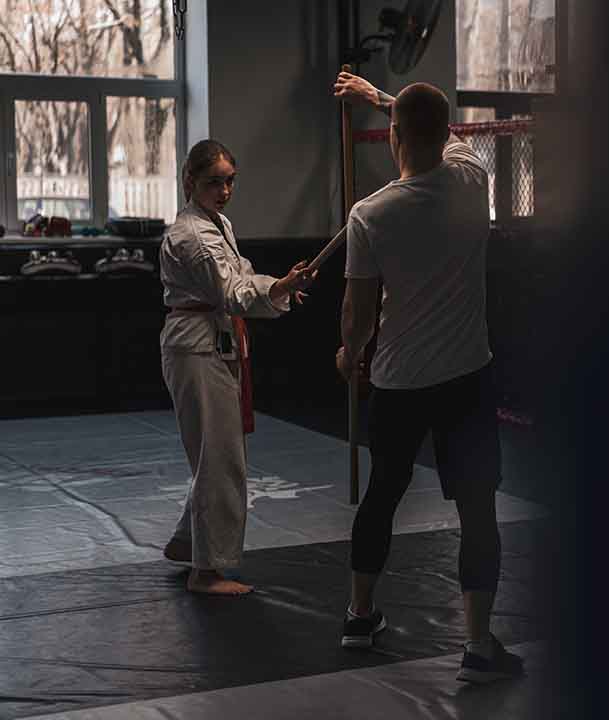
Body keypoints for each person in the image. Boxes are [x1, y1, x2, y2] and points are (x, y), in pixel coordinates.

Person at [332, 71, 524, 683]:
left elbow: (360, 316)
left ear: (393, 138)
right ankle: (475, 644)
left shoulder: (371, 214)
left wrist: (347, 354)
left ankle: (360, 616)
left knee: (382, 494)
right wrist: (384, 96)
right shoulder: (474, 178)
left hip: (397, 380)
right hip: (467, 378)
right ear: (445, 136)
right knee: (477, 507)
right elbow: (433, 120)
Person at [159, 139, 315, 596]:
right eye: (214, 182)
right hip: (196, 347)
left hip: (214, 341)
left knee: (216, 453)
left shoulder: (218, 223)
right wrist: (278, 287)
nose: (225, 190)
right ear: (190, 182)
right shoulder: (190, 235)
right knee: (220, 457)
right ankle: (206, 571)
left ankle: (188, 543)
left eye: (230, 181)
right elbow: (231, 292)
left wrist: (281, 286)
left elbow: (243, 277)